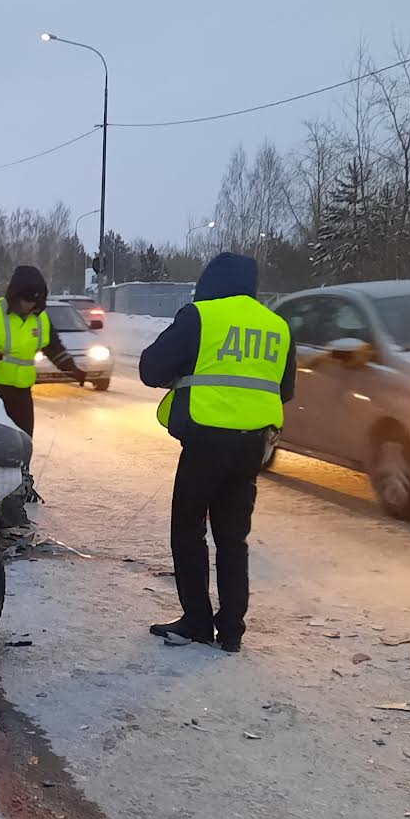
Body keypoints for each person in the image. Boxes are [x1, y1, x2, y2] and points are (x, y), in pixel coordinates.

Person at [137, 252, 294, 653]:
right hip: (252, 446)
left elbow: (151, 368)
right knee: (232, 536)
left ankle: (197, 622)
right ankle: (232, 629)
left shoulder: (200, 316)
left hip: (206, 440)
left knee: (188, 528)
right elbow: (285, 389)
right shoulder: (277, 325)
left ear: (210, 282)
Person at [0, 265, 85, 436]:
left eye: (33, 301)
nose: (29, 305)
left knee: (23, 440)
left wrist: (71, 368)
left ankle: (23, 464)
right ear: (15, 295)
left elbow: (53, 348)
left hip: (22, 392)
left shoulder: (40, 319)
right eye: (25, 300)